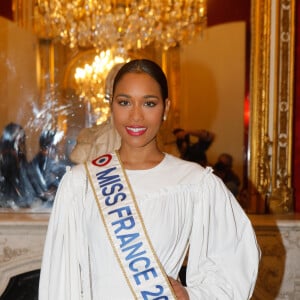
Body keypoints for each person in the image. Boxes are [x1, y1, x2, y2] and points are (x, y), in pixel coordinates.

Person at [39, 59, 260, 300]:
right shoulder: (80, 183)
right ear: (111, 106)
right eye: (124, 102)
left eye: (149, 103)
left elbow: (236, 259)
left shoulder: (194, 183)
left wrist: (192, 295)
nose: (136, 116)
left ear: (165, 108)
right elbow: (60, 280)